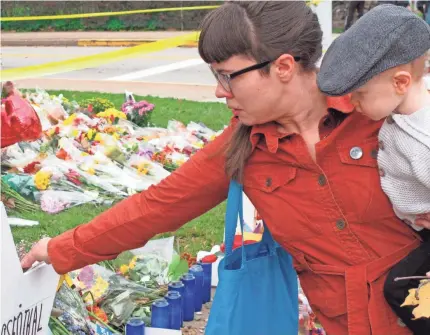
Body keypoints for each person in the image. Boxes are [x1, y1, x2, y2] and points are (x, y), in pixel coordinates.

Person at [21, 2, 430, 334]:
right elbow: (153, 208)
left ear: (283, 67)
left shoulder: (378, 110)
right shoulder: (242, 148)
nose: (219, 90)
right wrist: (59, 250)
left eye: (228, 75)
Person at [318, 4, 430, 334]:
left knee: (401, 288)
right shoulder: (401, 117)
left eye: (360, 94)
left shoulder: (422, 141)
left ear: (400, 82)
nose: (352, 104)